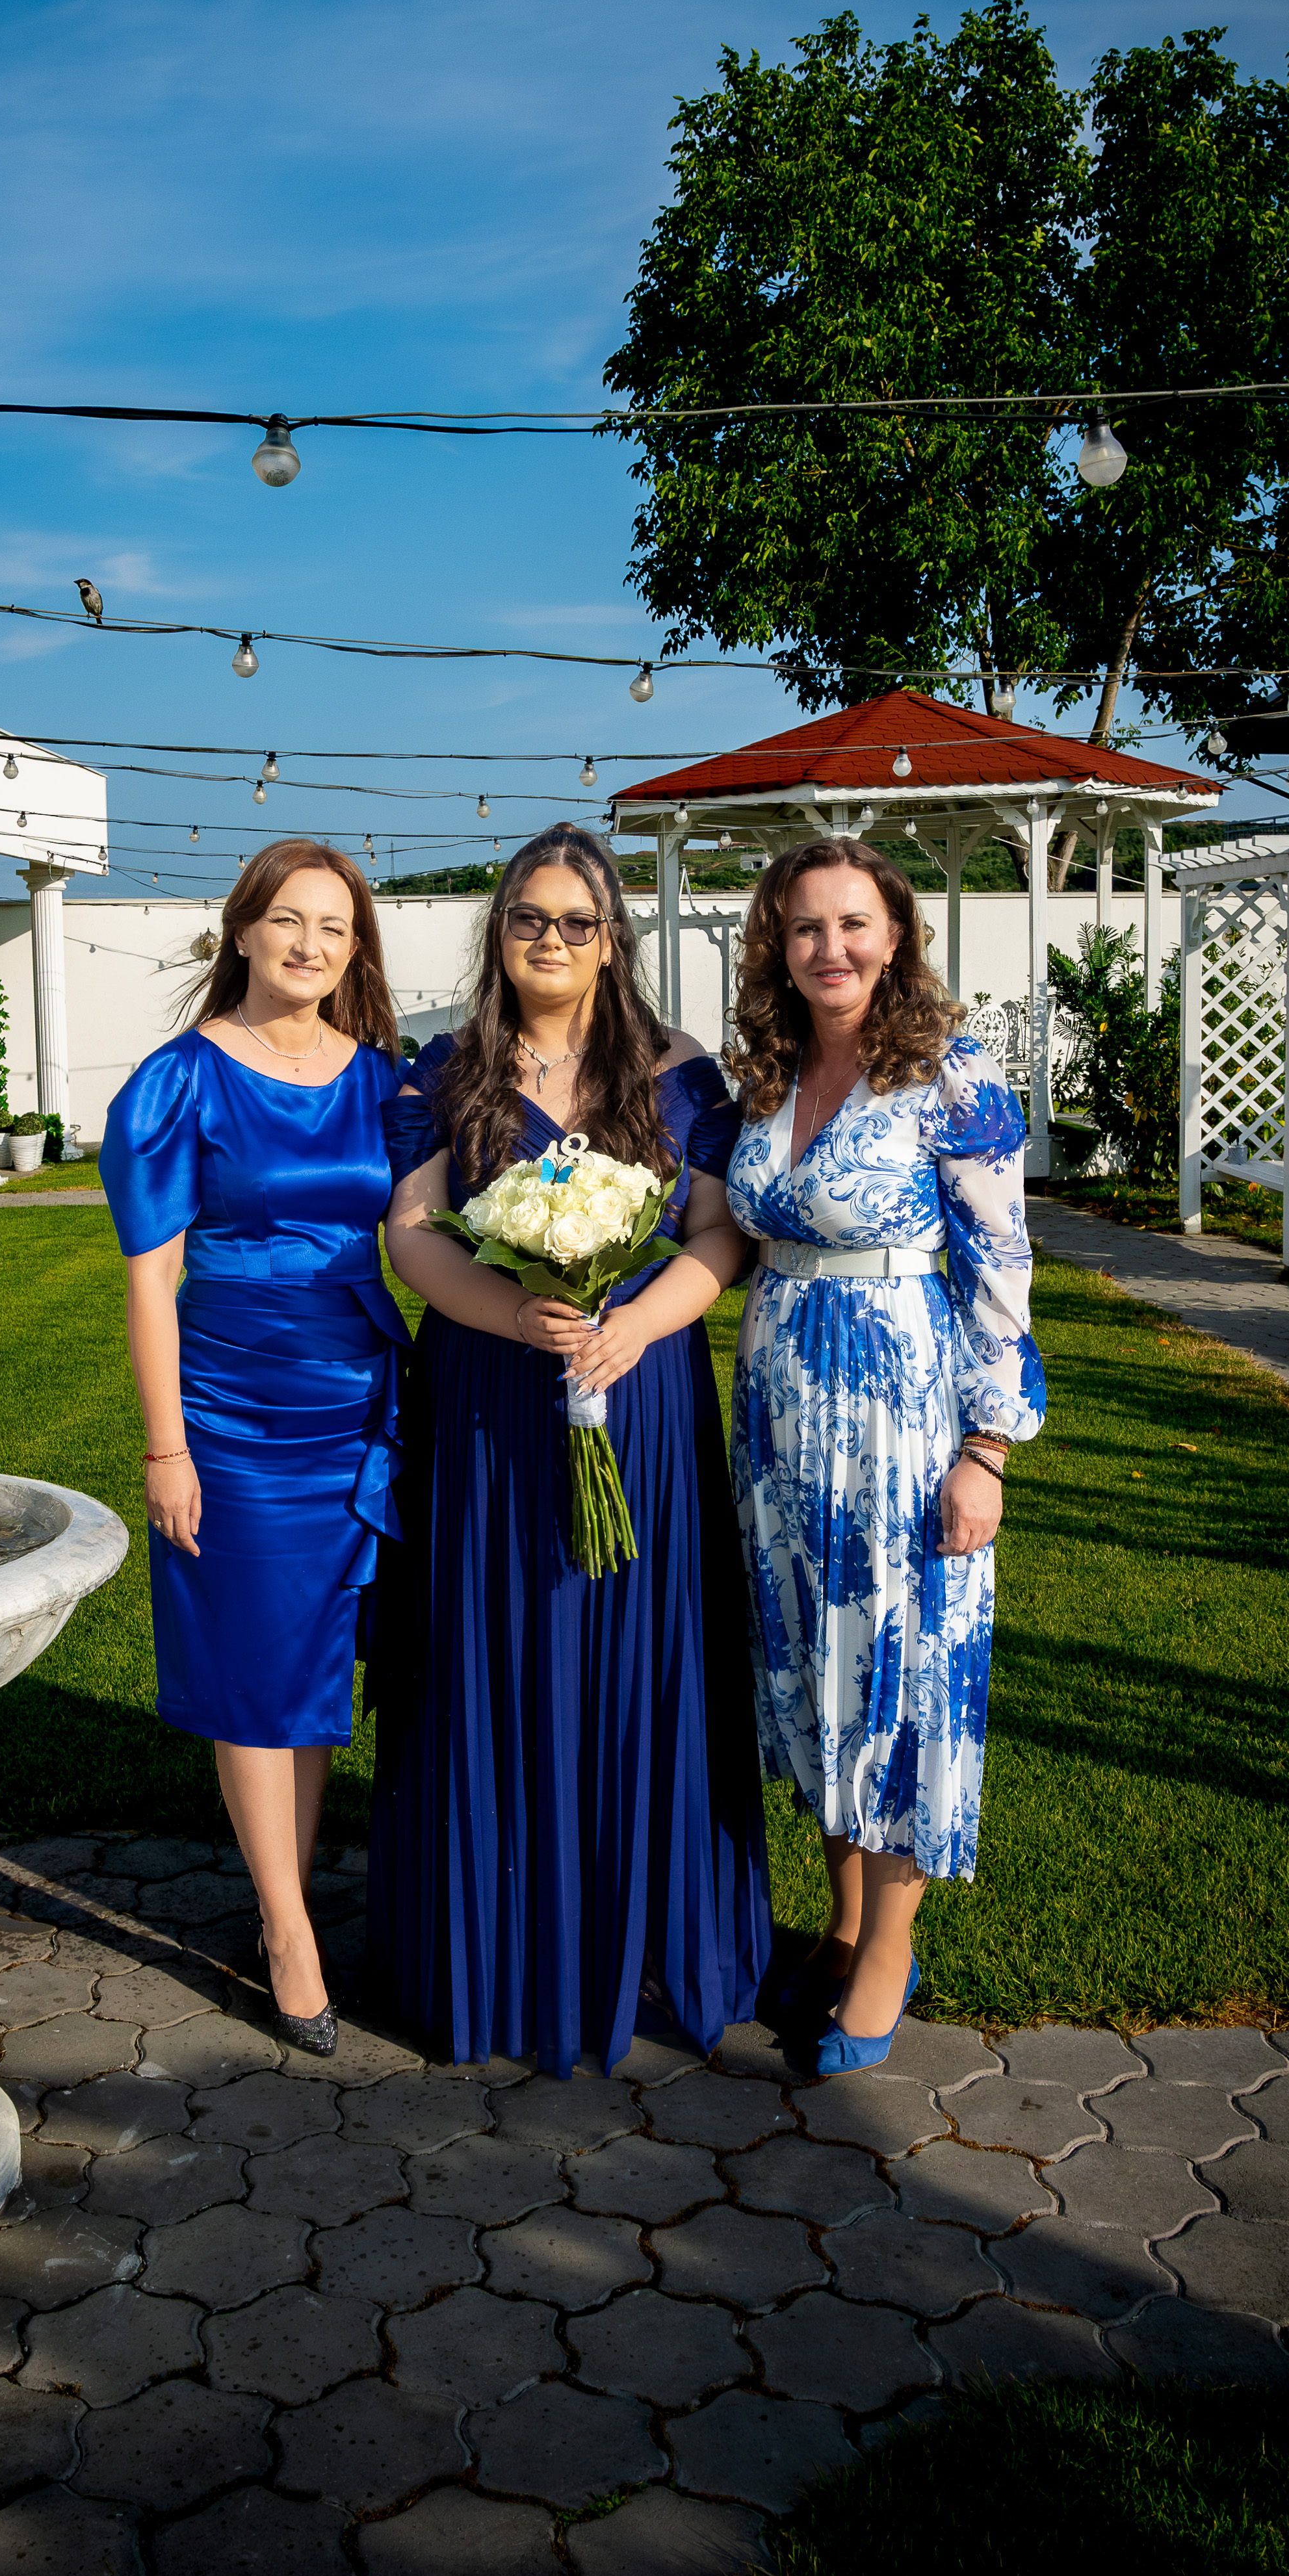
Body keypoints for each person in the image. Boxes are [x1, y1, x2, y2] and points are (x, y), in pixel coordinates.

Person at [372, 823, 772, 2077]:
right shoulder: (446, 1069)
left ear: (612, 940)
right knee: (499, 1646)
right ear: (499, 932)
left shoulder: (677, 1069)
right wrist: (509, 1315)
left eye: (577, 921)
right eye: (528, 918)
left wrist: (639, 1325)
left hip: (640, 1398)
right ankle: (500, 1951)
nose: (551, 939)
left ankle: (641, 1934)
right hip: (489, 1400)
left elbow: (719, 1236)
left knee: (635, 1652)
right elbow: (412, 1230)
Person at [725, 838, 1044, 2074]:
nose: (831, 949)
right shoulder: (767, 1071)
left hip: (902, 1417)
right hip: (778, 1414)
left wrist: (986, 1450)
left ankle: (887, 1957)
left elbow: (1002, 1266)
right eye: (806, 927)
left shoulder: (953, 1074)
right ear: (778, 944)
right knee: (816, 1665)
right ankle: (847, 1920)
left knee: (900, 1675)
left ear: (896, 933)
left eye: (854, 924)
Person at [101, 840, 406, 2057]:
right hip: (232, 1410)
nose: (310, 945)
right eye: (288, 920)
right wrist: (166, 1449)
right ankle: (286, 1933)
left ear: (355, 948)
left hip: (360, 1399)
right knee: (251, 1662)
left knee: (314, 1661)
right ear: (242, 931)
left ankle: (294, 1897)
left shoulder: (382, 1079)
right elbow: (150, 1280)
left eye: (334, 927)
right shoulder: (178, 1082)